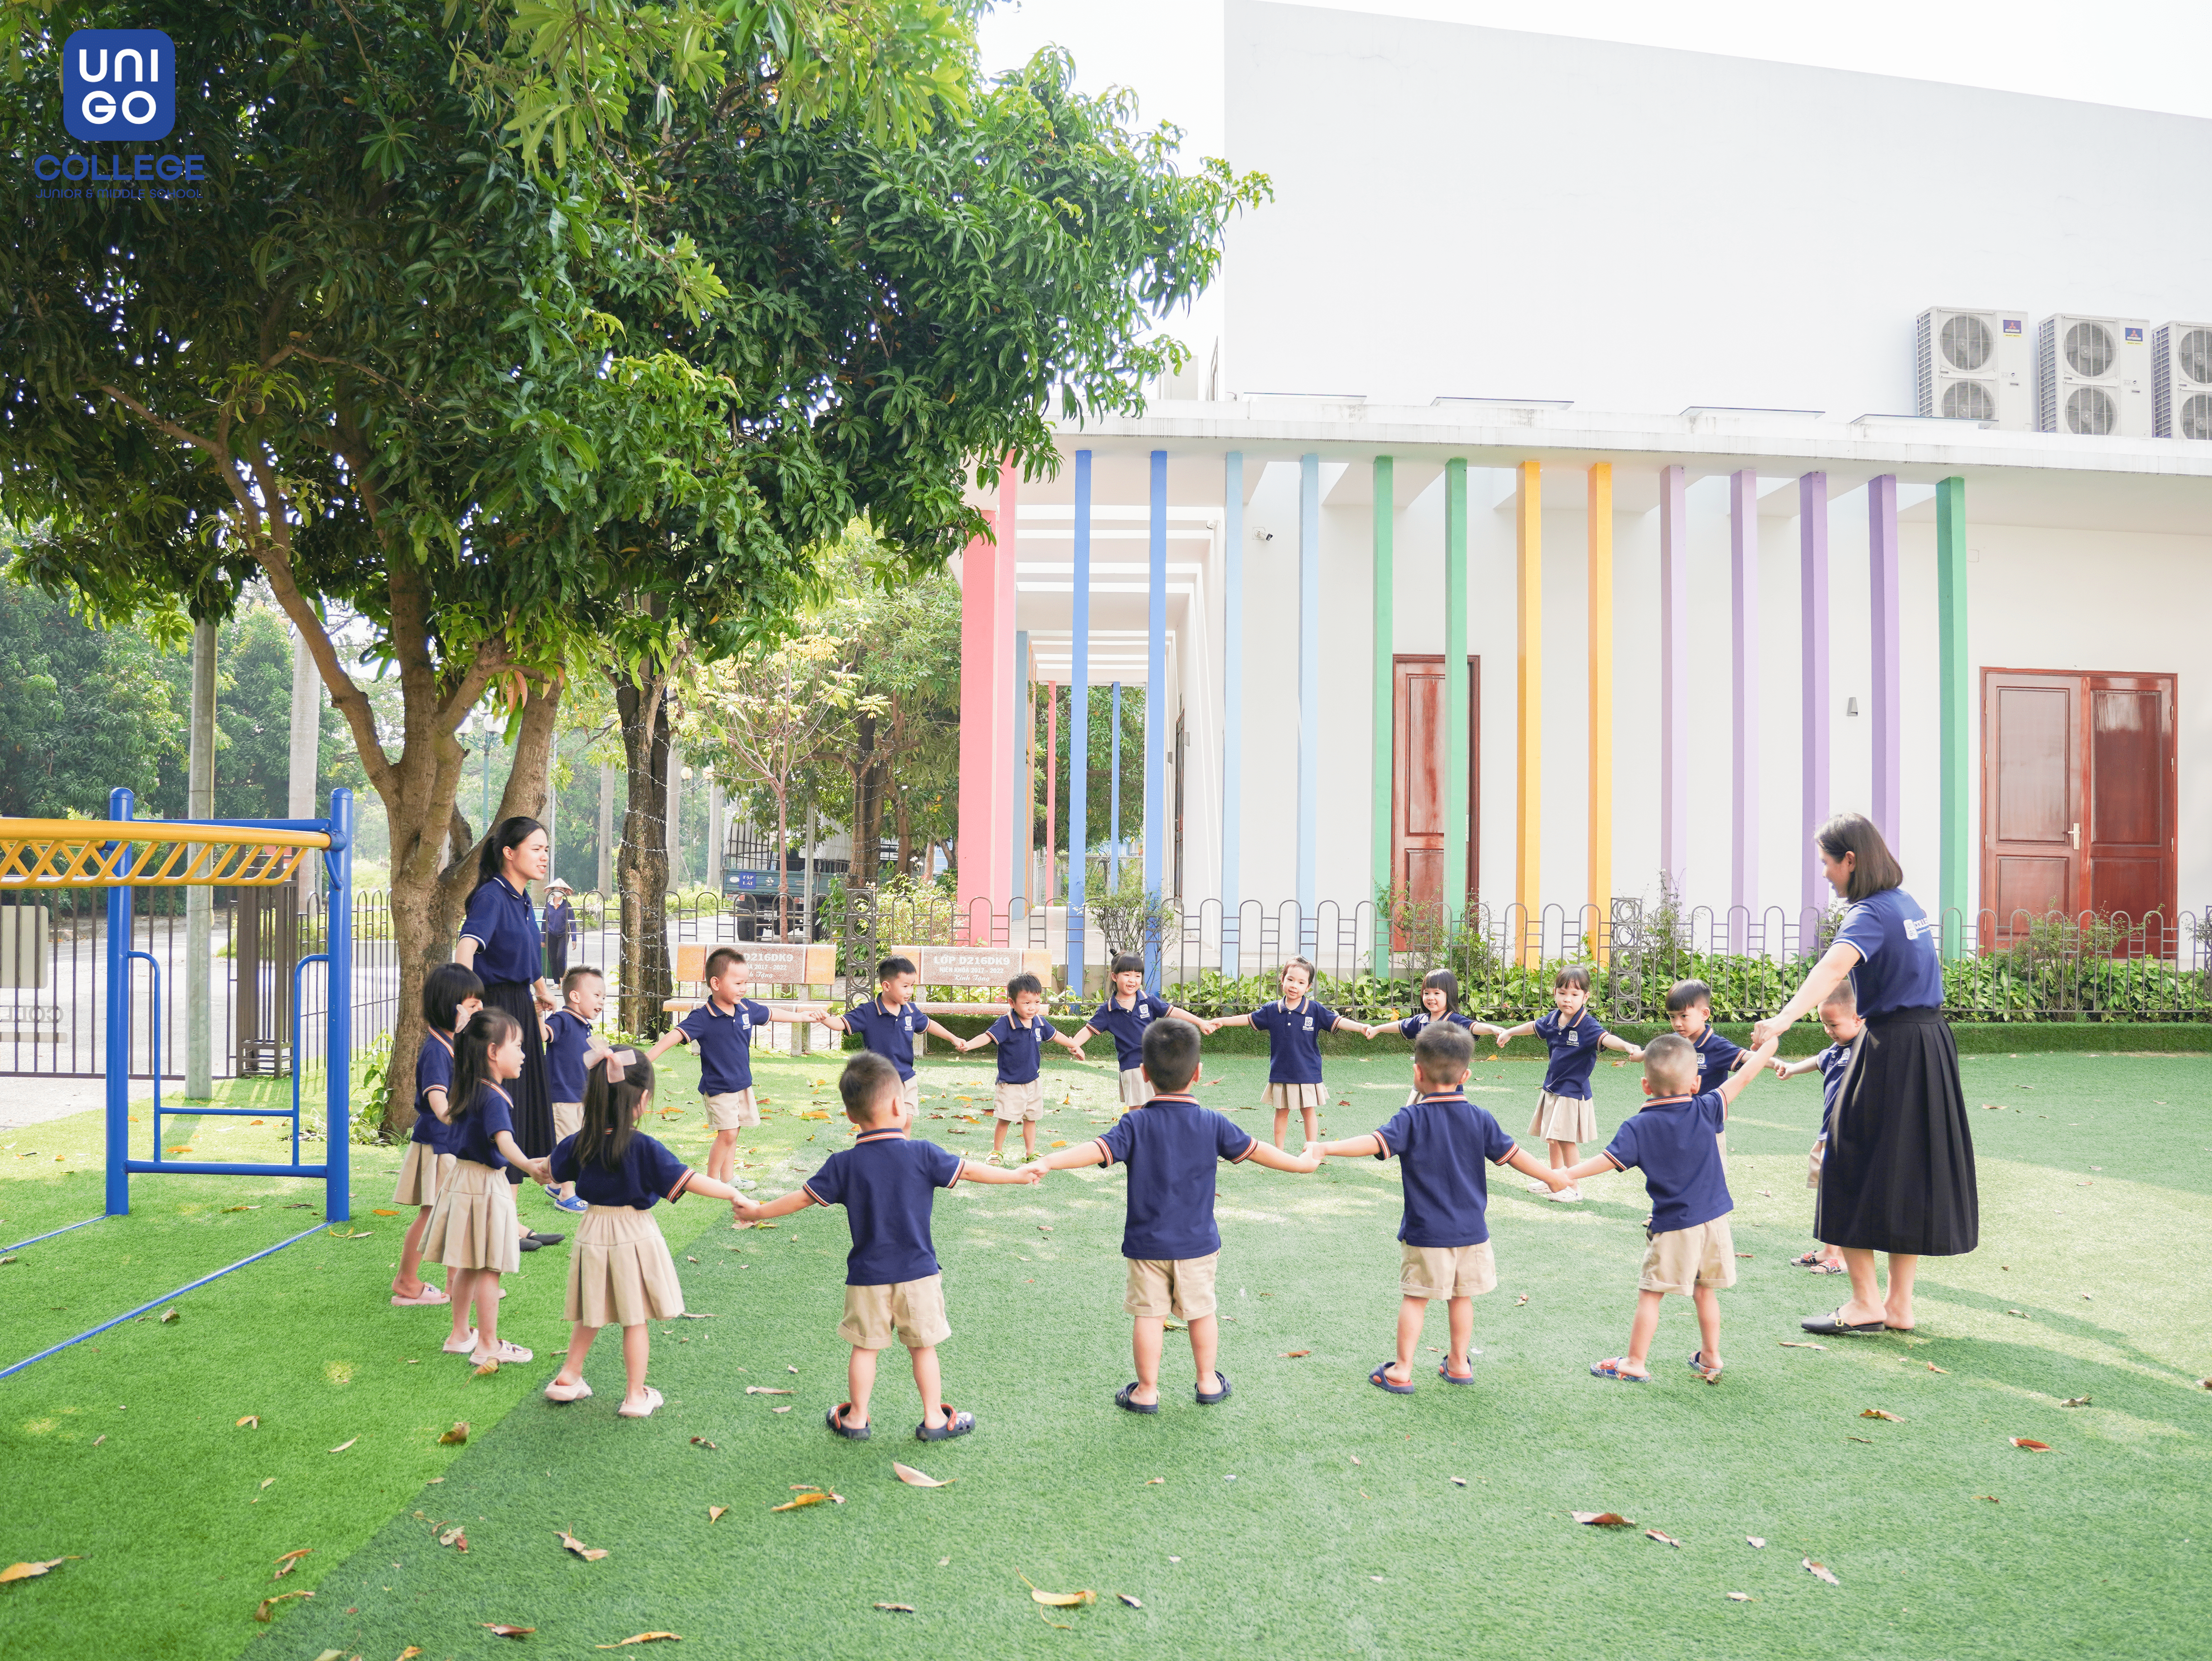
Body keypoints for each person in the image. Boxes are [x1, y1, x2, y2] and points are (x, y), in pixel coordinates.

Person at [1019, 1017, 1322, 1414]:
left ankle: (1146, 1391)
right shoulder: (1213, 1123)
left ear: (1144, 1074)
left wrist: (1049, 1161)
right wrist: (1302, 1164)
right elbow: (1261, 1150)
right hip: (1198, 1244)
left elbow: (1094, 1149)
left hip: (1147, 1246)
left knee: (1149, 1316)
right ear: (1198, 1073)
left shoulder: (1135, 1123)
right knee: (1202, 1313)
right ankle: (1208, 1382)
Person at [736, 1053, 1040, 1441]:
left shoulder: (843, 1165)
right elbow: (973, 1171)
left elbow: (800, 1199)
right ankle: (934, 1418)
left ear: (850, 1116)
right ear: (900, 1105)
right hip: (919, 1275)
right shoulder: (923, 1153)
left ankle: (857, 1418)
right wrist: (1015, 1176)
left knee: (865, 1350)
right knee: (923, 1349)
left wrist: (758, 1211)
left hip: (867, 1279)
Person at [1752, 811, 1977, 1336]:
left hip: (1892, 1045)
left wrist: (1784, 1018)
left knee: (1844, 1159)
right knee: (1908, 1171)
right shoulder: (1908, 905)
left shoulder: (1870, 912)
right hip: (1930, 1044)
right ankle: (1898, 1306)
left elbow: (1831, 968)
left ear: (1851, 860)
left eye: (1828, 864)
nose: (1827, 876)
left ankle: (1865, 1303)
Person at [1311, 1022, 1570, 1392]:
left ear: (1417, 1073)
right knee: (1461, 1298)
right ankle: (1460, 1364)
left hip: (1425, 1232)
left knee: (1416, 1299)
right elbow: (1515, 1156)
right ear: (1466, 1075)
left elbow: (1372, 1142)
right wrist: (1552, 1176)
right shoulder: (1480, 1118)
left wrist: (1325, 1147)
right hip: (1472, 1234)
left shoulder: (1412, 1118)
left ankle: (1402, 1370)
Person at [1551, 1029, 1779, 1382]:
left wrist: (1566, 1174)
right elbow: (1746, 1075)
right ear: (1695, 1083)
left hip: (1675, 1225)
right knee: (1705, 1291)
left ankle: (1635, 1362)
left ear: (1646, 1086)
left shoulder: (1639, 1126)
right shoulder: (1708, 1106)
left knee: (1651, 1293)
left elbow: (1606, 1160)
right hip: (1715, 1222)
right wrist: (1771, 1045)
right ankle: (1712, 1357)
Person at [542, 1049, 746, 1418]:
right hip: (634, 1233)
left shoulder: (579, 1141)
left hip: (591, 1230)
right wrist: (732, 1192)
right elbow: (691, 1180)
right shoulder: (643, 1147)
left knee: (592, 1309)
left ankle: (568, 1377)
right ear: (643, 1101)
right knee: (633, 1318)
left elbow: (550, 1172)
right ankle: (635, 1396)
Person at [453, 816, 565, 1253]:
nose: (543, 856)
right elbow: (467, 948)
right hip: (497, 1010)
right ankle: (499, 1223)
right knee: (502, 1114)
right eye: (536, 848)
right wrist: (466, 1002)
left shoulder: (521, 900)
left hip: (520, 1007)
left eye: (545, 848)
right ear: (509, 852)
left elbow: (527, 956)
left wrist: (541, 992)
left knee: (522, 1114)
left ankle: (510, 1222)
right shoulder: (490, 896)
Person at [421, 1008, 555, 1367]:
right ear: (494, 1052)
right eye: (518, 1045)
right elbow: (504, 1140)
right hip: (486, 1185)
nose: (525, 1054)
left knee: (466, 1264)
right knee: (489, 1269)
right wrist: (528, 1165)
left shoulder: (469, 1087)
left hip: (461, 1181)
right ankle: (488, 1344)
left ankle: (460, 1335)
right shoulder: (494, 1097)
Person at [648, 948, 818, 1187]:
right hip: (719, 1088)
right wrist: (648, 1059)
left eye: (746, 982)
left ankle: (729, 1178)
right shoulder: (703, 1017)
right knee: (727, 1133)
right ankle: (711, 1181)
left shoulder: (745, 1009)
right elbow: (674, 1036)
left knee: (734, 1132)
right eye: (738, 983)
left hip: (742, 1084)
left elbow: (771, 1014)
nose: (744, 988)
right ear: (716, 983)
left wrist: (802, 1017)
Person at [1491, 965, 1642, 1202]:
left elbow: (1606, 1038)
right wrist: (1510, 1032)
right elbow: (1533, 1026)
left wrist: (1627, 1046)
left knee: (1565, 1140)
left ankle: (1573, 1187)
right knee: (1552, 1136)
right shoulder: (1554, 1019)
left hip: (1573, 1092)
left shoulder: (1587, 1025)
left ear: (1586, 997)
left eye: (1574, 994)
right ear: (1555, 993)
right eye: (1562, 993)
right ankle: (1555, 1179)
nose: (1567, 1000)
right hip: (1552, 1087)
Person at [1206, 957, 1375, 1148]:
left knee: (1308, 1111)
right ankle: (1279, 1151)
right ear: (1282, 979)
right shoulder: (1272, 1010)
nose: (1295, 986)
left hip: (1308, 1072)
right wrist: (1222, 1022)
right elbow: (1248, 1018)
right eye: (1291, 980)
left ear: (1309, 987)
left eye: (1301, 982)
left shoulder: (1315, 1010)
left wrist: (1361, 1027)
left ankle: (1312, 1149)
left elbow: (1338, 1022)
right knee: (1281, 1112)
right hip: (1281, 1071)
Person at [390, 963, 482, 1306]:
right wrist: (468, 1123)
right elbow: (440, 1104)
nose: (479, 1012)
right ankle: (407, 1281)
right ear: (452, 1006)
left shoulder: (451, 1043)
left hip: (447, 1143)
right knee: (433, 1214)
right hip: (439, 1144)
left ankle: (454, 1282)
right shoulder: (436, 1051)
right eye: (473, 1007)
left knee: (447, 1214)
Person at [1769, 982, 1864, 1274]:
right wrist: (1791, 1068)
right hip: (1829, 1134)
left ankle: (1845, 1258)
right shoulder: (1836, 1051)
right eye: (1824, 1025)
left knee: (1846, 1196)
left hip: (1853, 1138)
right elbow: (1818, 1060)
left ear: (1859, 1019)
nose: (1829, 1031)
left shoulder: (1867, 1048)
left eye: (1834, 1024)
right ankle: (1829, 1250)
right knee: (1828, 1193)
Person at [959, 972, 1086, 1162]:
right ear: (1012, 1003)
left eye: (1037, 1002)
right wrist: (969, 1044)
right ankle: (997, 1151)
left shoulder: (1039, 1022)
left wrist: (1073, 1045)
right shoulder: (1005, 1023)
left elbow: (1055, 1035)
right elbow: (987, 1037)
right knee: (1005, 1118)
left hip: (1033, 1082)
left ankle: (1030, 1153)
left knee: (1031, 1118)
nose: (1033, 1008)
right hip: (1010, 1084)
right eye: (1027, 1003)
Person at [817, 956, 967, 1117]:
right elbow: (841, 1024)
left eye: (912, 986)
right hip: (878, 1080)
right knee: (879, 1122)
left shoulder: (911, 1010)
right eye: (905, 986)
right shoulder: (868, 1012)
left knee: (906, 1120)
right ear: (886, 986)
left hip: (906, 1077)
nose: (910, 991)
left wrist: (954, 1038)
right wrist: (824, 1018)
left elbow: (929, 1025)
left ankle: (902, 1144)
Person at [1062, 954, 1211, 1110]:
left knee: (1161, 1107)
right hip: (1132, 1067)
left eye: (1137, 976)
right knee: (1138, 1112)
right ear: (1114, 976)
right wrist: (1073, 1045)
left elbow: (1173, 1011)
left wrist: (1201, 1022)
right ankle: (1133, 1134)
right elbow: (1088, 1030)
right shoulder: (1108, 1010)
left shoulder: (1149, 1000)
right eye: (1127, 975)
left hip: (1155, 1063)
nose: (1132, 980)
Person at [541, 966, 602, 1216]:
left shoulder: (584, 1026)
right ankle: (567, 1194)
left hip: (579, 1097)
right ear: (575, 997)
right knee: (569, 1144)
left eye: (604, 997)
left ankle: (556, 1183)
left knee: (577, 1141)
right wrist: (538, 1015)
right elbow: (543, 1034)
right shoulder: (563, 1020)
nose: (602, 1001)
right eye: (597, 995)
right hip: (562, 1097)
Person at [1667, 980, 1747, 1094]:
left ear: (1704, 1014)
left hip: (1707, 1111)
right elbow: (1651, 1053)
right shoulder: (1674, 1041)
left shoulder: (1717, 1046)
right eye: (1672, 1016)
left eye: (1684, 1016)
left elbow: (1747, 1056)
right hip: (1679, 1110)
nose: (1677, 1023)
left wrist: (1775, 1064)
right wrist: (1637, 1054)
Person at [542, 877, 575, 984]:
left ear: (565, 892)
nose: (558, 891)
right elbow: (544, 922)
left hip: (563, 935)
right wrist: (543, 939)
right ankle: (557, 983)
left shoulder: (567, 905)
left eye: (561, 889)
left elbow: (572, 922)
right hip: (551, 935)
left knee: (560, 957)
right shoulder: (548, 905)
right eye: (557, 889)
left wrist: (574, 939)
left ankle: (563, 979)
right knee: (552, 958)